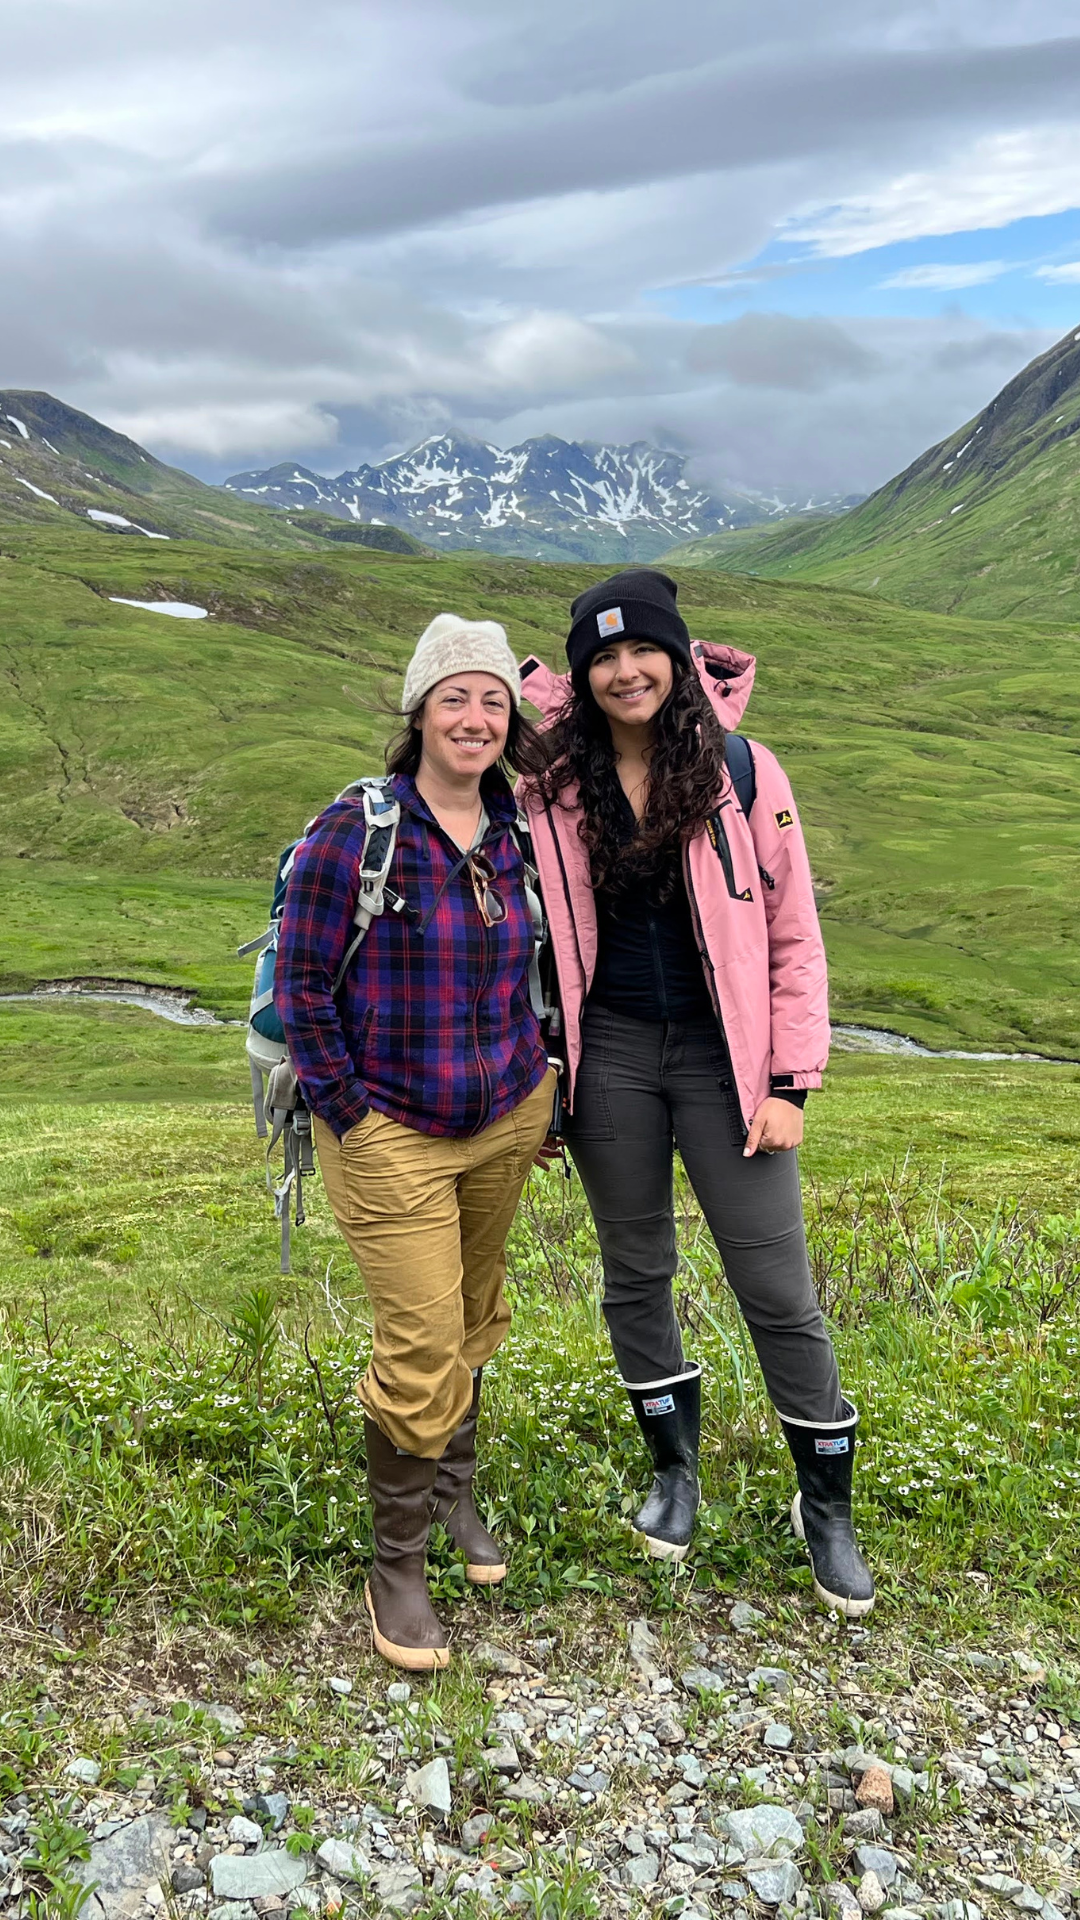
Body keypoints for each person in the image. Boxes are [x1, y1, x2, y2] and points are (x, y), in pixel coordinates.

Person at [518, 569, 874, 1618]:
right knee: (636, 1272)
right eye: (602, 657)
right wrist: (544, 1070)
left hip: (730, 1067)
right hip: (614, 1057)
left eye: (643, 652)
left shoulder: (744, 772)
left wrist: (792, 1082)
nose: (625, 671)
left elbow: (795, 939)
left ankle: (827, 1507)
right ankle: (676, 1476)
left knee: (777, 1289)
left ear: (677, 660)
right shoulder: (552, 782)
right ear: (583, 675)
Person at [275, 614, 555, 1671]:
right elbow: (305, 985)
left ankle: (452, 1497)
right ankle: (396, 1562)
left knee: (477, 1314)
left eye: (493, 700)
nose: (476, 718)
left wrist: (545, 1095)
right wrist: (347, 1109)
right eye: (456, 698)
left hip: (506, 1117)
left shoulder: (519, 831)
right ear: (419, 713)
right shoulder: (357, 828)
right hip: (389, 1126)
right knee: (423, 1340)